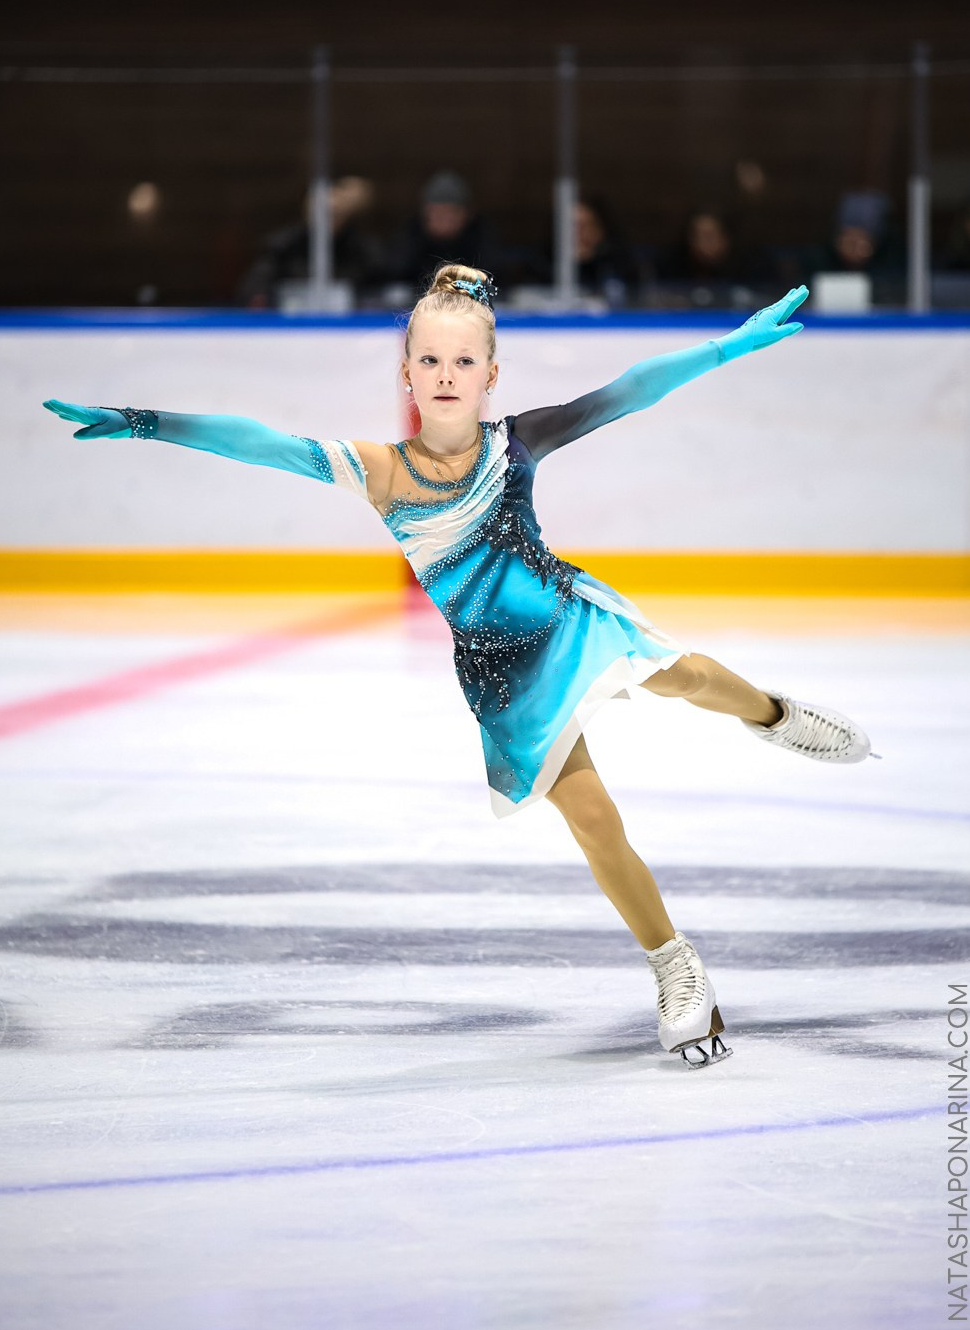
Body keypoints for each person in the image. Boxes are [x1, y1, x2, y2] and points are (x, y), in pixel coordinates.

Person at [42, 268, 875, 1071]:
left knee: (683, 677)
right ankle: (673, 962)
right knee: (593, 817)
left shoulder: (518, 442)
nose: (446, 375)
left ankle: (774, 715)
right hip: (502, 673)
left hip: (569, 617)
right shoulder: (378, 470)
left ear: (490, 375)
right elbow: (259, 443)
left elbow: (628, 391)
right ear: (405, 372)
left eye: (464, 361)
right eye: (431, 360)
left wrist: (725, 348)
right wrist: (145, 422)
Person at [236, 175, 384, 308]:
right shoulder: (284, 245)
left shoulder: (363, 249)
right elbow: (254, 287)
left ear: (346, 216)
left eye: (334, 213)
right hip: (292, 323)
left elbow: (381, 291)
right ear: (307, 212)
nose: (326, 220)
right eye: (319, 213)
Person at [386, 172, 502, 299]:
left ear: (467, 215)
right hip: (418, 301)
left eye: (451, 214)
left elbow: (495, 276)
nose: (444, 221)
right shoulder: (411, 235)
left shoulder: (480, 235)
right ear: (425, 214)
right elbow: (394, 273)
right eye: (437, 214)